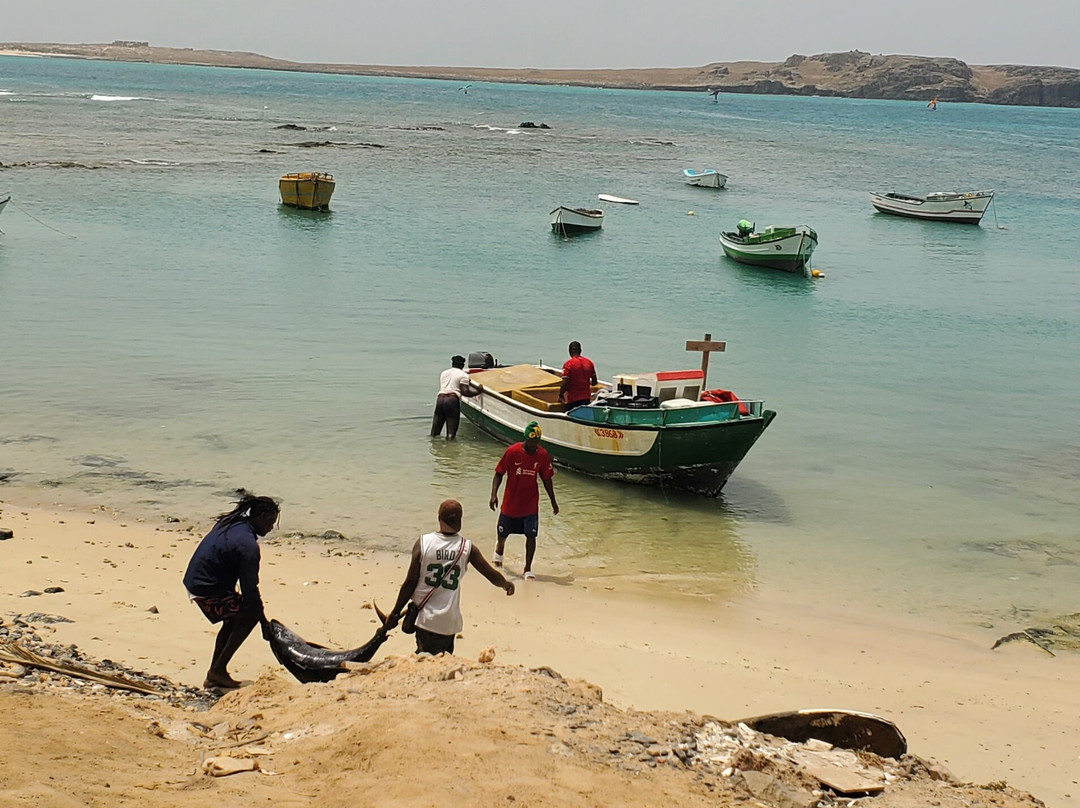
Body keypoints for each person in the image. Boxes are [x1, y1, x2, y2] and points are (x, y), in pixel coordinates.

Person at [386, 499, 514, 655]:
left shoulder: (423, 543)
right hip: (449, 623)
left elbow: (410, 582)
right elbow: (492, 576)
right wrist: (506, 585)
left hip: (427, 620)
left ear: (438, 518)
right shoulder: (467, 548)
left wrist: (395, 613)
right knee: (444, 658)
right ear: (460, 521)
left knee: (425, 658)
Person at [182, 492, 279, 690]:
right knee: (248, 615)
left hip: (195, 579)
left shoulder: (232, 522)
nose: (271, 528)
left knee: (235, 616)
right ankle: (216, 671)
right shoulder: (248, 546)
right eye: (271, 522)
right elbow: (250, 591)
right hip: (205, 587)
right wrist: (263, 622)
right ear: (261, 517)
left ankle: (216, 672)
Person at [488, 421, 558, 580]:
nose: (534, 447)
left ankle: (527, 569)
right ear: (525, 439)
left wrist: (553, 501)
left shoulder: (542, 455)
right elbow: (499, 473)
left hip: (530, 505)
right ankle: (499, 549)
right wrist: (493, 495)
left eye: (536, 443)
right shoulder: (512, 452)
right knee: (502, 535)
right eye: (531, 443)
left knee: (531, 536)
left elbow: (546, 479)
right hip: (510, 504)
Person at [431, 354, 481, 440]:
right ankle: (450, 447)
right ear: (462, 365)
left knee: (435, 432)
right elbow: (465, 392)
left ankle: (433, 445)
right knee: (451, 433)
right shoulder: (463, 375)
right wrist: (478, 391)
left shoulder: (444, 373)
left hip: (440, 399)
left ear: (453, 363)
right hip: (452, 400)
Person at [558, 341, 597, 409]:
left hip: (573, 400)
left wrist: (561, 395)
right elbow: (594, 382)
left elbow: (565, 383)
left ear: (569, 351)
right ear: (580, 350)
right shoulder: (589, 363)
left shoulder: (568, 364)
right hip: (586, 399)